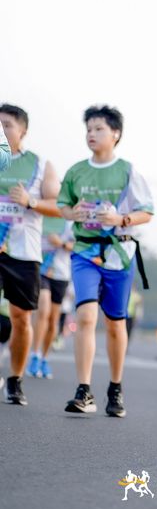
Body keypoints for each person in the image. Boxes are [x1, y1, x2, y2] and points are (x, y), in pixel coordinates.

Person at [58, 105, 154, 417]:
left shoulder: (127, 171)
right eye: (89, 129)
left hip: (119, 255)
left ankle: (115, 387)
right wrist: (73, 213)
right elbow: (63, 206)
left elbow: (147, 212)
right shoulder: (76, 171)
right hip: (85, 252)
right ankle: (84, 390)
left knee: (115, 323)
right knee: (85, 316)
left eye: (99, 128)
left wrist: (120, 219)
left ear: (115, 133)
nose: (92, 134)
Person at [0, 103, 60, 406]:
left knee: (21, 319)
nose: (1, 130)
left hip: (23, 252)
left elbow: (60, 206)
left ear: (22, 130)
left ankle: (15, 379)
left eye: (6, 124)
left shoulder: (40, 164)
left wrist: (31, 202)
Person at [27, 217, 74, 378]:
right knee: (43, 311)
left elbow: (79, 247)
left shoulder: (71, 223)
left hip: (61, 274)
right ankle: (35, 355)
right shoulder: (43, 218)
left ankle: (45, 358)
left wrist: (61, 243)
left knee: (53, 320)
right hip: (42, 270)